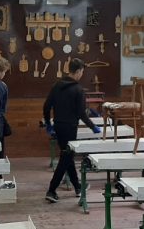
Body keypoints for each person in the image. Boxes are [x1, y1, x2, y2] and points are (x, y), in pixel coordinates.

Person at [42, 58, 101, 203]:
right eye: (82, 72)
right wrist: (92, 126)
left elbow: (46, 106)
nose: (82, 74)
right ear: (79, 71)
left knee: (68, 156)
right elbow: (81, 113)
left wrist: (48, 124)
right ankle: (51, 190)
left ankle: (77, 187)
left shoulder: (57, 85)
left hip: (58, 126)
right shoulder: (78, 89)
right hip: (70, 128)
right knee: (66, 157)